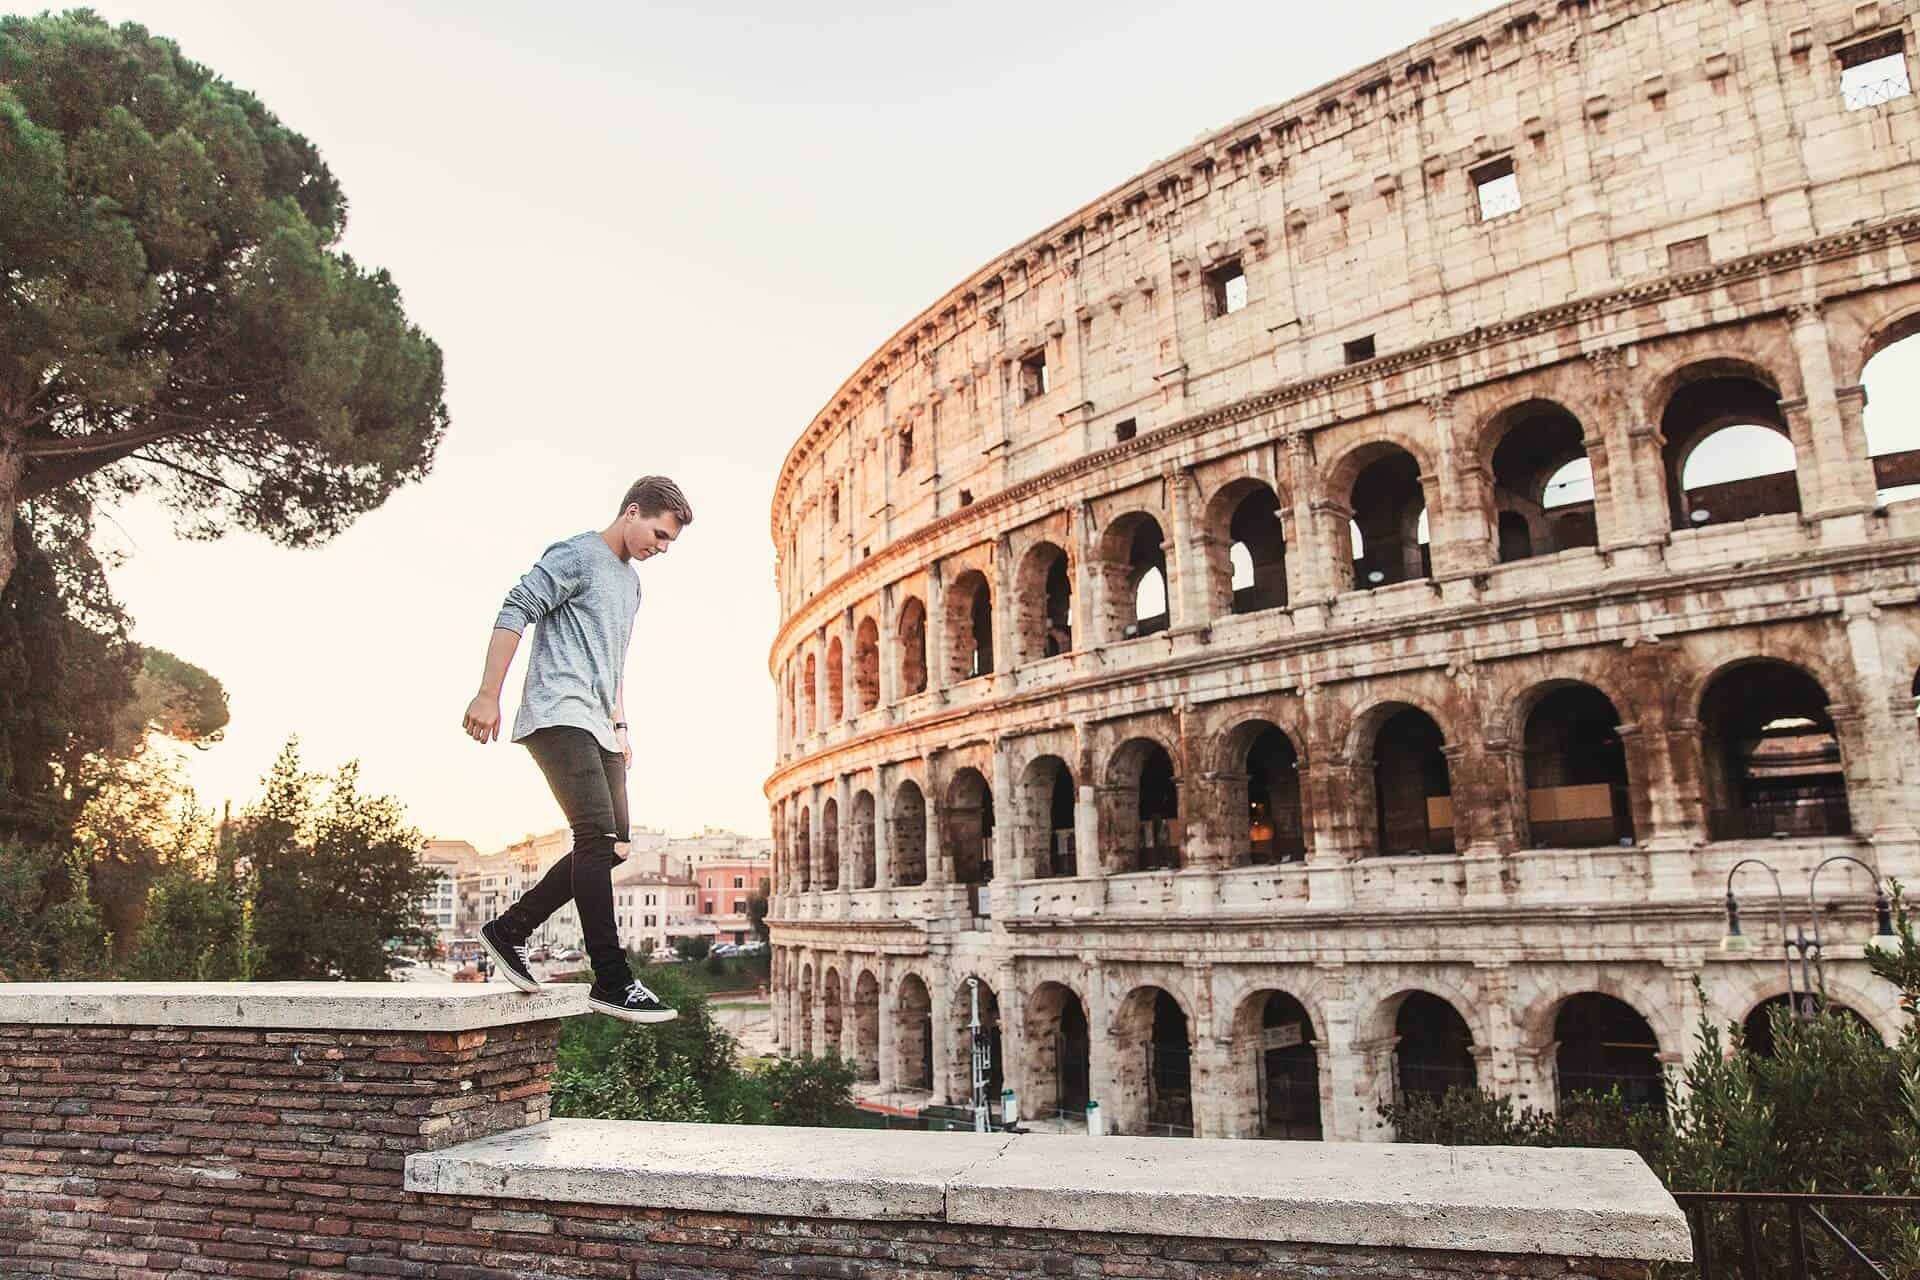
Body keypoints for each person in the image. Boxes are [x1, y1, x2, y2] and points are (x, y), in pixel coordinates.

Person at [462, 476, 692, 1023]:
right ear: (632, 512)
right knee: (593, 837)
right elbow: (515, 607)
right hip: (557, 713)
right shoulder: (577, 555)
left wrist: (622, 725)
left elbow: (612, 661)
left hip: (600, 723)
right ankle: (611, 979)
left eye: (668, 544)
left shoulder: (632, 585)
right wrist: (488, 693)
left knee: (614, 848)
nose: (659, 549)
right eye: (658, 534)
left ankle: (509, 929)